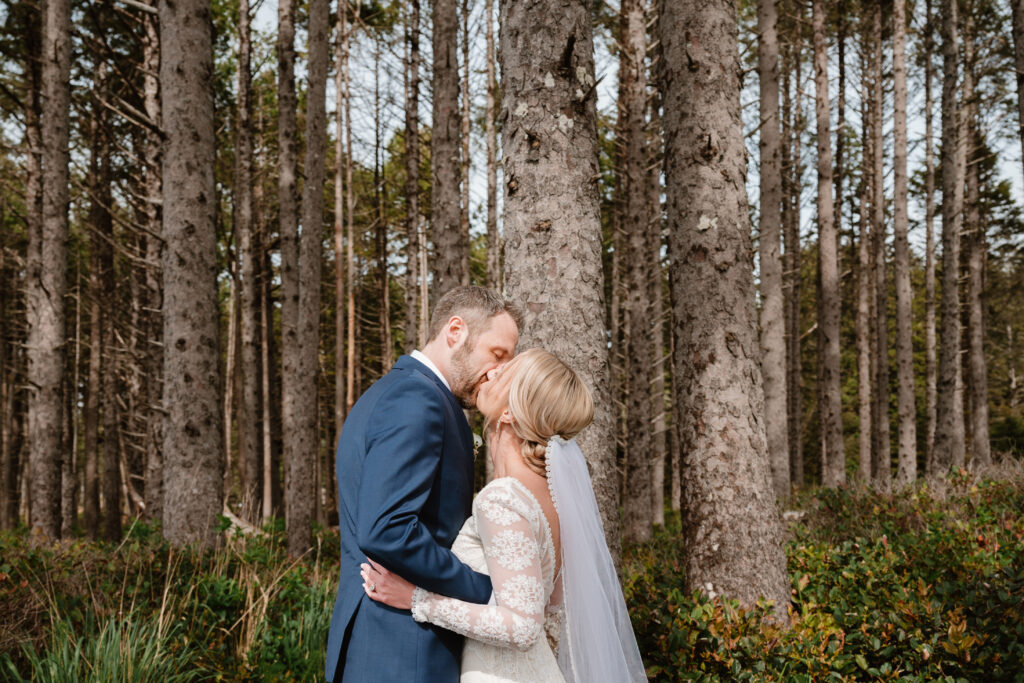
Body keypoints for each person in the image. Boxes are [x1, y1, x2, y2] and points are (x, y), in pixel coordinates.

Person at [360, 348, 647, 683]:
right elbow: (546, 601)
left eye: (506, 373)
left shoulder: (504, 498)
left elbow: (524, 627)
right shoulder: (552, 495)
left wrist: (417, 599)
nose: (494, 371)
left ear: (510, 413)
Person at [325, 286, 522, 683]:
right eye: (497, 354)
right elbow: (388, 530)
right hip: (401, 649)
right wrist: (484, 589)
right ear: (455, 331)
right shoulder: (419, 400)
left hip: (385, 642)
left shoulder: (393, 391)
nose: (500, 370)